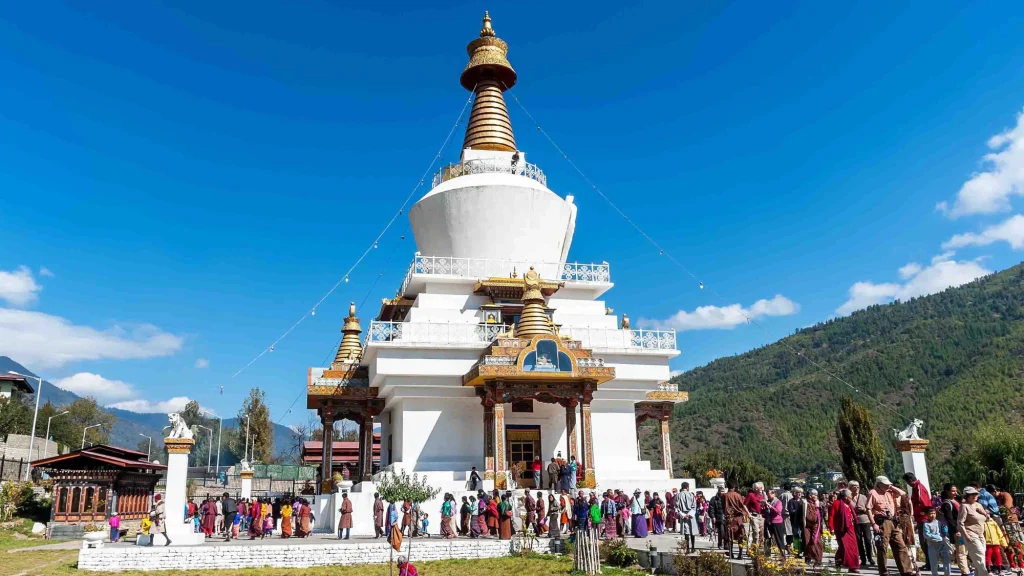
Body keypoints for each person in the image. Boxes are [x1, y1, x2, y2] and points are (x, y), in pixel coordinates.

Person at [868, 476, 913, 576]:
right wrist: (873, 524)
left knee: (900, 545)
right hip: (882, 521)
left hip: (893, 520)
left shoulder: (890, 492)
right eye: (885, 484)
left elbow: (903, 494)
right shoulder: (873, 493)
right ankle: (884, 571)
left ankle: (906, 570)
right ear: (879, 484)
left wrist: (891, 487)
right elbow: (868, 509)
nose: (887, 485)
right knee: (882, 547)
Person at [958, 486, 991, 576]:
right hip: (970, 533)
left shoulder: (979, 505)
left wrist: (984, 512)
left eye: (976, 494)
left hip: (980, 534)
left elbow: (988, 519)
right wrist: (966, 536)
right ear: (967, 496)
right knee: (979, 554)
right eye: (972, 494)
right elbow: (960, 522)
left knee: (980, 557)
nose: (975, 496)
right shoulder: (964, 506)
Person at [905, 472, 934, 571]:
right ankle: (929, 562)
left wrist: (923, 515)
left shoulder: (918, 488)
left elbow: (924, 503)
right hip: (921, 518)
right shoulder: (917, 487)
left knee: (925, 543)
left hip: (923, 519)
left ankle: (931, 563)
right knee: (924, 543)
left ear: (909, 481)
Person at [939, 484, 970, 575]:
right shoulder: (947, 504)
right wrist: (956, 531)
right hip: (958, 531)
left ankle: (968, 568)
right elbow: (950, 519)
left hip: (964, 529)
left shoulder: (957, 500)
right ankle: (965, 572)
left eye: (956, 490)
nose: (955, 493)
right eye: (953, 491)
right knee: (961, 551)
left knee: (966, 550)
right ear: (947, 492)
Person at [835, 489, 861, 573]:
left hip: (851, 529)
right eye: (850, 495)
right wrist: (831, 528)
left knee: (853, 548)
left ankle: (852, 567)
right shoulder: (837, 503)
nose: (852, 497)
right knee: (844, 548)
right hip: (842, 529)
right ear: (846, 497)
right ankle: (839, 561)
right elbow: (832, 516)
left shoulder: (849, 505)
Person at [850, 481, 876, 567]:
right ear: (850, 488)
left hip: (865, 520)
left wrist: (863, 509)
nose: (856, 488)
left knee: (868, 540)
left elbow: (869, 509)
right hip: (855, 522)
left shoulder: (863, 497)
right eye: (854, 486)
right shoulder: (849, 499)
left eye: (857, 486)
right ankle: (863, 559)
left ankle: (870, 557)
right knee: (859, 541)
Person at [922, 507, 950, 576]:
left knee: (947, 561)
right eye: (930, 514)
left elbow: (943, 531)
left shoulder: (939, 522)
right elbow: (927, 535)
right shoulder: (926, 524)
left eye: (934, 513)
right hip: (932, 545)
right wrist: (939, 538)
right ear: (927, 515)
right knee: (934, 563)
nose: (932, 515)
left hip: (942, 544)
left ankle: (947, 574)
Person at [724, 482, 749, 559]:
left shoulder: (725, 496)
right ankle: (740, 554)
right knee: (740, 536)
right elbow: (743, 505)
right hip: (738, 518)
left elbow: (722, 507)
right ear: (734, 487)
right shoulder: (738, 495)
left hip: (729, 518)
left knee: (730, 536)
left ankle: (731, 553)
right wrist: (745, 514)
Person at [802, 489, 824, 566]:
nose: (815, 496)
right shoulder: (804, 503)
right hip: (807, 526)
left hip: (816, 526)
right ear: (810, 495)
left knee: (817, 542)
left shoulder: (818, 504)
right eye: (814, 494)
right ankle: (808, 557)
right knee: (807, 542)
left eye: (816, 495)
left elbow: (821, 515)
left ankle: (818, 560)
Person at [744, 482, 767, 553]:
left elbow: (764, 505)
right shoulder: (751, 495)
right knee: (756, 532)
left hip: (761, 516)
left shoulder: (761, 496)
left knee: (761, 533)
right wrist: (748, 514)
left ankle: (760, 549)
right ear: (755, 489)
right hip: (754, 516)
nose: (761, 489)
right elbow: (744, 505)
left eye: (761, 487)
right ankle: (754, 549)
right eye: (759, 488)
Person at [678, 482, 699, 551]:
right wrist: (690, 514)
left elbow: (677, 507)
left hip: (684, 516)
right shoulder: (691, 495)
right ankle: (693, 547)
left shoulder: (678, 495)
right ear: (687, 487)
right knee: (692, 531)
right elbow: (694, 506)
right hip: (691, 516)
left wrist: (683, 515)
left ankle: (687, 548)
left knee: (686, 532)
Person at [767, 489, 787, 558]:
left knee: (779, 538)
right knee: (767, 538)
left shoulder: (778, 502)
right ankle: (767, 554)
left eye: (769, 494)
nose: (768, 496)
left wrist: (770, 506)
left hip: (777, 522)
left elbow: (778, 511)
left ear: (773, 494)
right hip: (769, 521)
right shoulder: (769, 501)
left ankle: (782, 554)